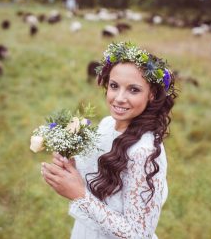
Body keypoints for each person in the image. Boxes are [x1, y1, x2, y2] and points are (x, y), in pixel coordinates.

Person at [41, 42, 177, 238]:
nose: (119, 98)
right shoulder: (107, 124)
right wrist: (71, 168)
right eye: (114, 86)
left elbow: (138, 234)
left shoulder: (143, 152)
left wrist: (79, 195)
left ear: (152, 95)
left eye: (134, 90)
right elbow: (99, 176)